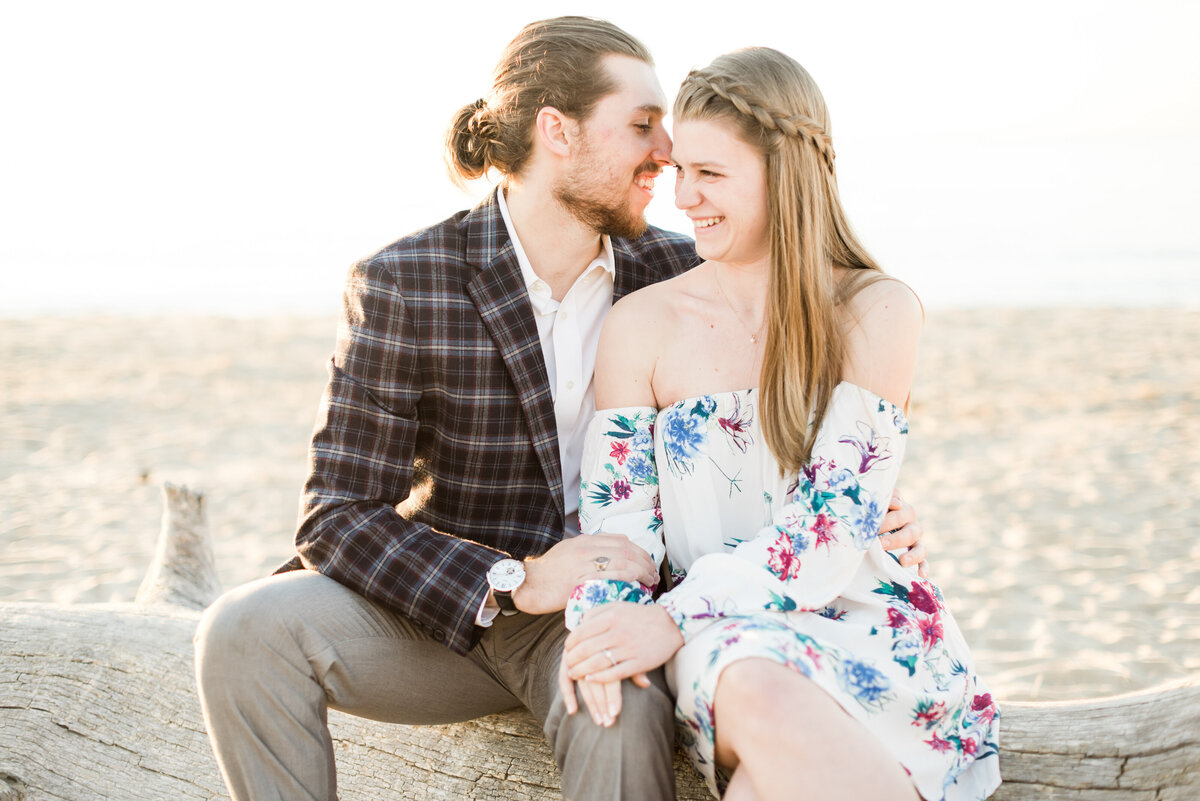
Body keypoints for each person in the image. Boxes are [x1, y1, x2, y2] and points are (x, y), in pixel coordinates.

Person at [193, 19, 928, 801]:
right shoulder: (408, 280)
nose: (666, 154)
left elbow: (792, 427)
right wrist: (515, 578)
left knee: (616, 715)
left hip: (618, 609)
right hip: (454, 610)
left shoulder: (684, 270)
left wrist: (881, 511)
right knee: (241, 631)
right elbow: (334, 515)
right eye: (643, 125)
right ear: (558, 131)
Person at [559, 47, 1001, 801]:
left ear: (783, 174)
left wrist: (669, 614)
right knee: (755, 682)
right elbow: (619, 527)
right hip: (723, 641)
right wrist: (607, 630)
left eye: (711, 175)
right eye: (680, 172)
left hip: (870, 631)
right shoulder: (643, 325)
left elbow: (829, 532)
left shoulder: (876, 310)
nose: (685, 198)